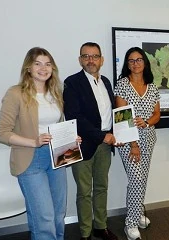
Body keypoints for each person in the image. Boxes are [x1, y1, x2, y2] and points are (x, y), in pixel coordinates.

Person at [0, 47, 80, 240]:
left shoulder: (55, 92)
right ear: (28, 68)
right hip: (30, 160)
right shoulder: (15, 93)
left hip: (58, 155)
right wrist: (33, 142)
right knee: (44, 217)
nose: (44, 68)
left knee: (59, 215)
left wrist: (70, 138)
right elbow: (2, 133)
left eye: (48, 64)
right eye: (38, 63)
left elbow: (57, 125)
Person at [63, 42, 118, 240]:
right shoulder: (72, 82)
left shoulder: (106, 82)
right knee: (84, 192)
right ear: (80, 60)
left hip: (105, 145)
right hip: (83, 144)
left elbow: (110, 114)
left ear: (101, 60)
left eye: (95, 56)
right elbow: (74, 117)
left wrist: (117, 131)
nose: (90, 60)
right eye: (86, 56)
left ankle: (100, 226)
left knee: (102, 187)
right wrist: (102, 135)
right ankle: (85, 233)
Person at [114, 47, 160, 240]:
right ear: (127, 64)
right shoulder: (122, 85)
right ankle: (130, 224)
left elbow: (157, 114)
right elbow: (122, 118)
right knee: (137, 179)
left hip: (149, 139)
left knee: (143, 179)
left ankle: (138, 212)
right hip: (128, 142)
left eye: (139, 60)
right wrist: (134, 145)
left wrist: (147, 121)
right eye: (131, 60)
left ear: (145, 62)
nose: (135, 63)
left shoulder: (152, 86)